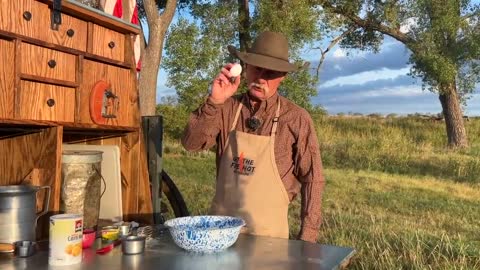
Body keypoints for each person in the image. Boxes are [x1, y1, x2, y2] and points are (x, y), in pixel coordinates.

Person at [181, 31, 325, 243]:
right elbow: (191, 144)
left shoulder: (296, 118)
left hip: (270, 240)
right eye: (257, 69)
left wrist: (308, 239)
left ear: (283, 77)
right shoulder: (226, 107)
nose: (261, 79)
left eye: (271, 73)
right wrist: (214, 101)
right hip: (220, 236)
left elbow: (314, 178)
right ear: (245, 68)